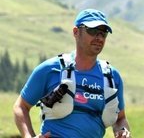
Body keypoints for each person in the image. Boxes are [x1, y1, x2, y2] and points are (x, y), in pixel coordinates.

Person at [13, 9, 131, 138]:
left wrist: (123, 131)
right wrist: (28, 136)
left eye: (103, 33)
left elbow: (120, 119)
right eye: (92, 31)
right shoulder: (49, 69)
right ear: (76, 32)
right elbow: (21, 106)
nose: (99, 38)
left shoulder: (112, 77)